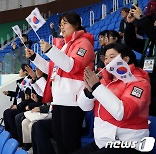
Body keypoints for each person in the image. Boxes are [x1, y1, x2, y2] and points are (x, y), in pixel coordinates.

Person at [25, 12, 95, 154]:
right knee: (59, 141)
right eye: (60, 24)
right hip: (59, 100)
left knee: (70, 143)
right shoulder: (64, 46)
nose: (61, 27)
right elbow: (51, 69)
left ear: (76, 24)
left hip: (73, 102)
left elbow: (72, 66)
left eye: (65, 23)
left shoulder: (84, 43)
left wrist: (51, 50)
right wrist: (34, 57)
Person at [74, 43, 150, 154]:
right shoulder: (105, 80)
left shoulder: (139, 82)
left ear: (125, 59)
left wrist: (97, 87)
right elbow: (84, 106)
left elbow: (123, 113)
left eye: (112, 57)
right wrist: (89, 91)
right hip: (103, 143)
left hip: (127, 145)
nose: (107, 61)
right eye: (105, 58)